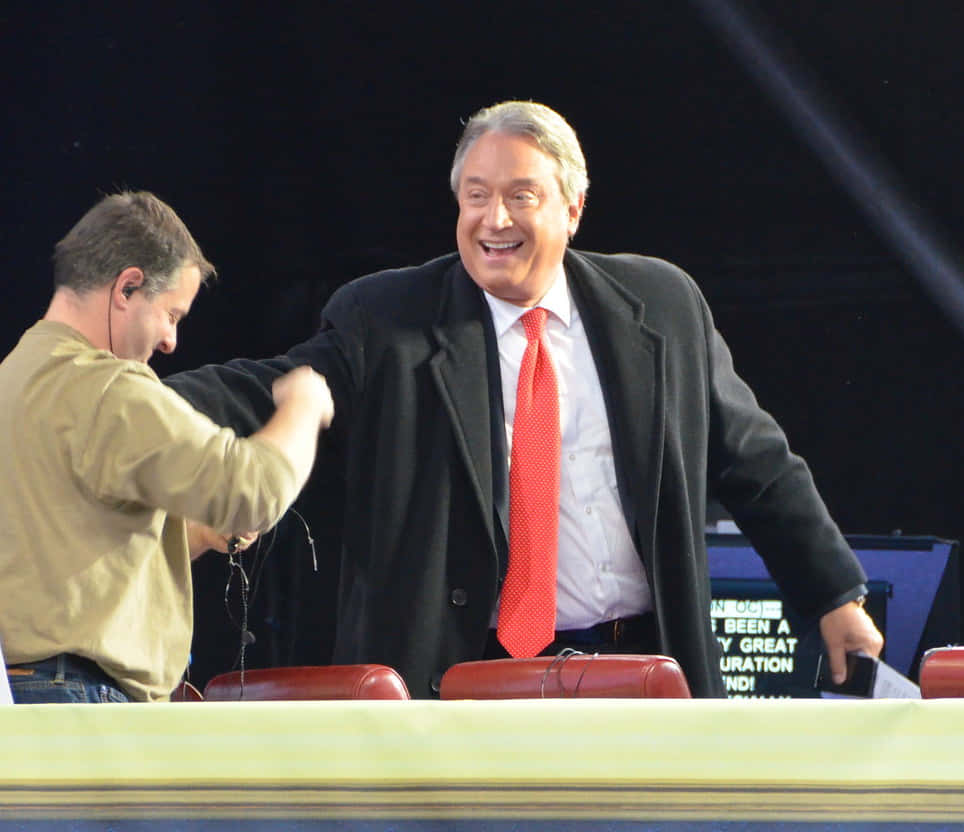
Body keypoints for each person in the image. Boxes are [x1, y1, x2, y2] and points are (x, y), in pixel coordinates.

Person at [168, 101, 882, 698]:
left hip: (637, 670)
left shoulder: (662, 308)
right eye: (475, 196)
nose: (493, 219)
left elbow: (757, 464)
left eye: (520, 196)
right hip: (459, 680)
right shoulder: (389, 321)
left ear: (572, 207)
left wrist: (832, 597)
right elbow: (261, 387)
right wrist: (128, 399)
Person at [0, 191, 334, 702]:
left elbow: (66, 551)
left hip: (24, 695)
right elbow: (252, 491)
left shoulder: (17, 377)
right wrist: (304, 405)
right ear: (127, 288)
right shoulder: (107, 388)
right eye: (172, 314)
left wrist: (195, 535)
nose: (171, 342)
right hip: (81, 700)